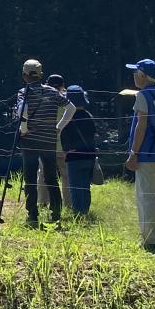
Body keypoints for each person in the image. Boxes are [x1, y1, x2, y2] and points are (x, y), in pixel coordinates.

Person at [124, 58, 155, 253]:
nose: (134, 76)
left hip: (147, 154)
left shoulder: (143, 96)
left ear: (143, 76)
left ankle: (150, 241)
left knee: (147, 198)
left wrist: (134, 153)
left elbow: (141, 125)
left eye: (136, 73)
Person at [13, 58, 72, 225]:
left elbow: (21, 111)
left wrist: (23, 130)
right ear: (41, 75)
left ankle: (32, 216)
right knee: (51, 178)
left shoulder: (23, 92)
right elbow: (71, 108)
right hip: (49, 141)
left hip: (30, 141)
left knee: (30, 179)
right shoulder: (53, 92)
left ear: (24, 75)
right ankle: (56, 214)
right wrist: (59, 127)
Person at [54, 84, 97, 216]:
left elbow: (65, 137)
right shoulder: (89, 116)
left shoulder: (68, 118)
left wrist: (66, 151)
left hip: (73, 157)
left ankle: (78, 213)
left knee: (75, 187)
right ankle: (85, 211)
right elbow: (93, 134)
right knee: (85, 186)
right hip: (89, 156)